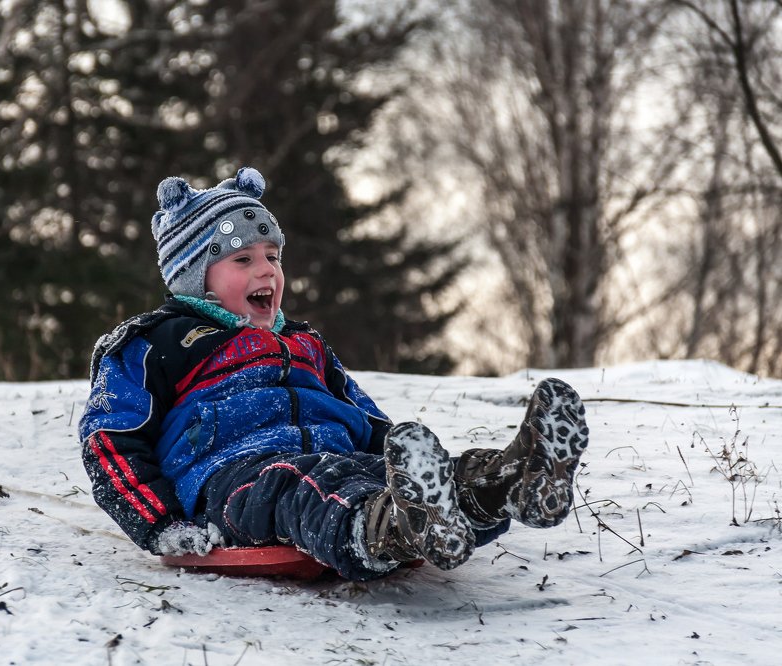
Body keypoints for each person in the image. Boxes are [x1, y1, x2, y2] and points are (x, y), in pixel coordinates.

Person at [78, 167, 589, 581]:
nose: (267, 271)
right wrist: (160, 524)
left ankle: (504, 484)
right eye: (243, 259)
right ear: (194, 275)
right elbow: (110, 439)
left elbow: (363, 418)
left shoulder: (305, 343)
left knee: (370, 475)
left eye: (273, 257)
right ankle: (389, 528)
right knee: (301, 486)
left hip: (333, 459)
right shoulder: (157, 343)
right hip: (233, 481)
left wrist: (396, 457)